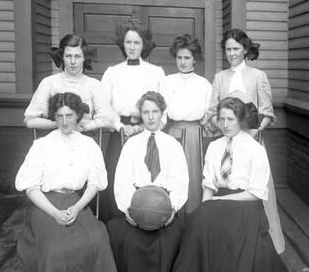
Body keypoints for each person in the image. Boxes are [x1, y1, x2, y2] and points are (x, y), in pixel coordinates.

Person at [168, 97, 287, 272]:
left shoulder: (254, 149)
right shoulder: (215, 146)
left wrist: (219, 200)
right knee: (200, 222)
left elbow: (256, 193)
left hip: (246, 203)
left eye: (230, 119)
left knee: (233, 234)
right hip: (218, 200)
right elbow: (209, 184)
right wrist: (206, 205)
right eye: (222, 119)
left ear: (240, 119)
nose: (224, 124)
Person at [15, 92, 121, 272]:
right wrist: (55, 213)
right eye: (60, 116)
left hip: (76, 200)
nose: (65, 122)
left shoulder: (89, 145)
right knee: (55, 249)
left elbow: (95, 183)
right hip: (45, 204)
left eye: (70, 115)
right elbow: (30, 187)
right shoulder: (42, 146)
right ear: (54, 117)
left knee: (98, 239)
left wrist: (78, 206)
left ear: (78, 116)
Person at [205, 28, 285, 254]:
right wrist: (228, 131)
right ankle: (227, 243)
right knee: (227, 186)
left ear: (245, 50)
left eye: (236, 49)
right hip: (226, 142)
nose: (231, 53)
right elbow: (211, 112)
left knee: (258, 190)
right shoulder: (220, 78)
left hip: (252, 141)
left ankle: (266, 245)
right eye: (228, 49)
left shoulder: (258, 76)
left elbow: (268, 113)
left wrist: (251, 133)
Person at [107, 91, 189, 272]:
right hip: (136, 206)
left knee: (169, 240)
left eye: (155, 111)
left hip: (164, 207)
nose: (151, 117)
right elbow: (122, 181)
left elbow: (181, 182)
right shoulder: (131, 145)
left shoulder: (173, 145)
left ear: (162, 114)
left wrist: (172, 208)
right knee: (126, 240)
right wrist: (128, 209)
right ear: (141, 115)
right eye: (146, 112)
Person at [99, 19, 165, 222]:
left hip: (148, 129)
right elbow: (104, 106)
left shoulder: (156, 72)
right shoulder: (112, 72)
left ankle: (147, 219)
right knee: (118, 176)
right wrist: (121, 127)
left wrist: (146, 128)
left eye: (137, 42)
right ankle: (117, 223)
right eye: (128, 42)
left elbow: (163, 106)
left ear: (144, 44)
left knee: (145, 175)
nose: (132, 47)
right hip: (119, 130)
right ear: (122, 44)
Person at [161, 34, 212, 217]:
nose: (183, 62)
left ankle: (192, 216)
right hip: (172, 131)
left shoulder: (203, 84)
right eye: (179, 57)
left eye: (187, 58)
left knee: (193, 175)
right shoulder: (167, 81)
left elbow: (208, 113)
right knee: (172, 173)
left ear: (194, 59)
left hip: (194, 134)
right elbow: (161, 112)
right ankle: (172, 214)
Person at [24, 34, 116, 132]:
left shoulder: (93, 85)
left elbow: (107, 119)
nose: (73, 61)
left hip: (83, 141)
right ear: (62, 57)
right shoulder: (49, 83)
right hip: (55, 141)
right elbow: (30, 121)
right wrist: (60, 124)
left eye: (77, 56)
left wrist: (84, 127)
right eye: (68, 56)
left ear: (84, 57)